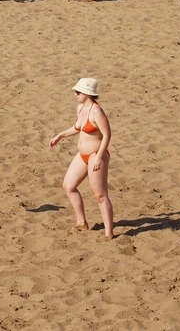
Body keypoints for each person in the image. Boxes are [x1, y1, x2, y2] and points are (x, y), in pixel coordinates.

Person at [48, 77, 114, 239]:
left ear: (87, 93)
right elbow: (77, 127)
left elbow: (107, 135)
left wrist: (99, 157)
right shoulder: (80, 108)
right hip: (82, 155)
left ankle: (109, 233)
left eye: (78, 92)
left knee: (100, 195)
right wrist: (61, 135)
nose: (76, 94)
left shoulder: (97, 111)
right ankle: (81, 222)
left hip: (95, 155)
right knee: (68, 186)